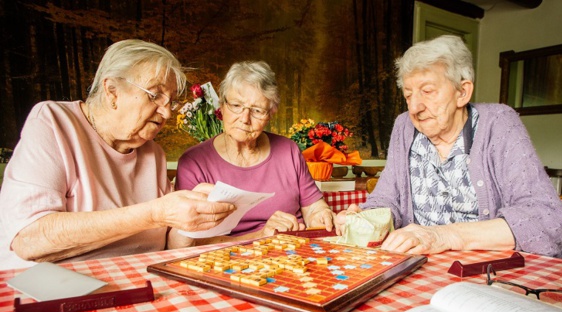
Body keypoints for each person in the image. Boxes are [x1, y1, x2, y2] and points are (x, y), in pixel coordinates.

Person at [335, 35, 562, 263]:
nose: (414, 107)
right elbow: (387, 199)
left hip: (532, 274)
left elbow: (548, 220)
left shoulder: (498, 123)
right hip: (442, 275)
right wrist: (365, 218)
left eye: (427, 91)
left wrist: (443, 236)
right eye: (409, 94)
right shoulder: (405, 127)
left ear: (462, 92)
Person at [0, 39, 235, 270]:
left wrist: (190, 219)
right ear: (112, 91)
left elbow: (167, 247)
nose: (166, 113)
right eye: (155, 95)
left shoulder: (153, 153)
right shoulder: (53, 122)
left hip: (137, 283)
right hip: (55, 289)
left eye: (170, 102)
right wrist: (155, 213)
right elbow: (29, 239)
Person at [175, 61, 335, 243]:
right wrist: (260, 237)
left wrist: (322, 216)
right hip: (227, 261)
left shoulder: (288, 150)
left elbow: (313, 208)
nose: (244, 119)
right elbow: (191, 242)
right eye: (236, 105)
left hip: (293, 254)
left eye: (257, 111)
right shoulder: (193, 162)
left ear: (270, 114)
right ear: (222, 105)